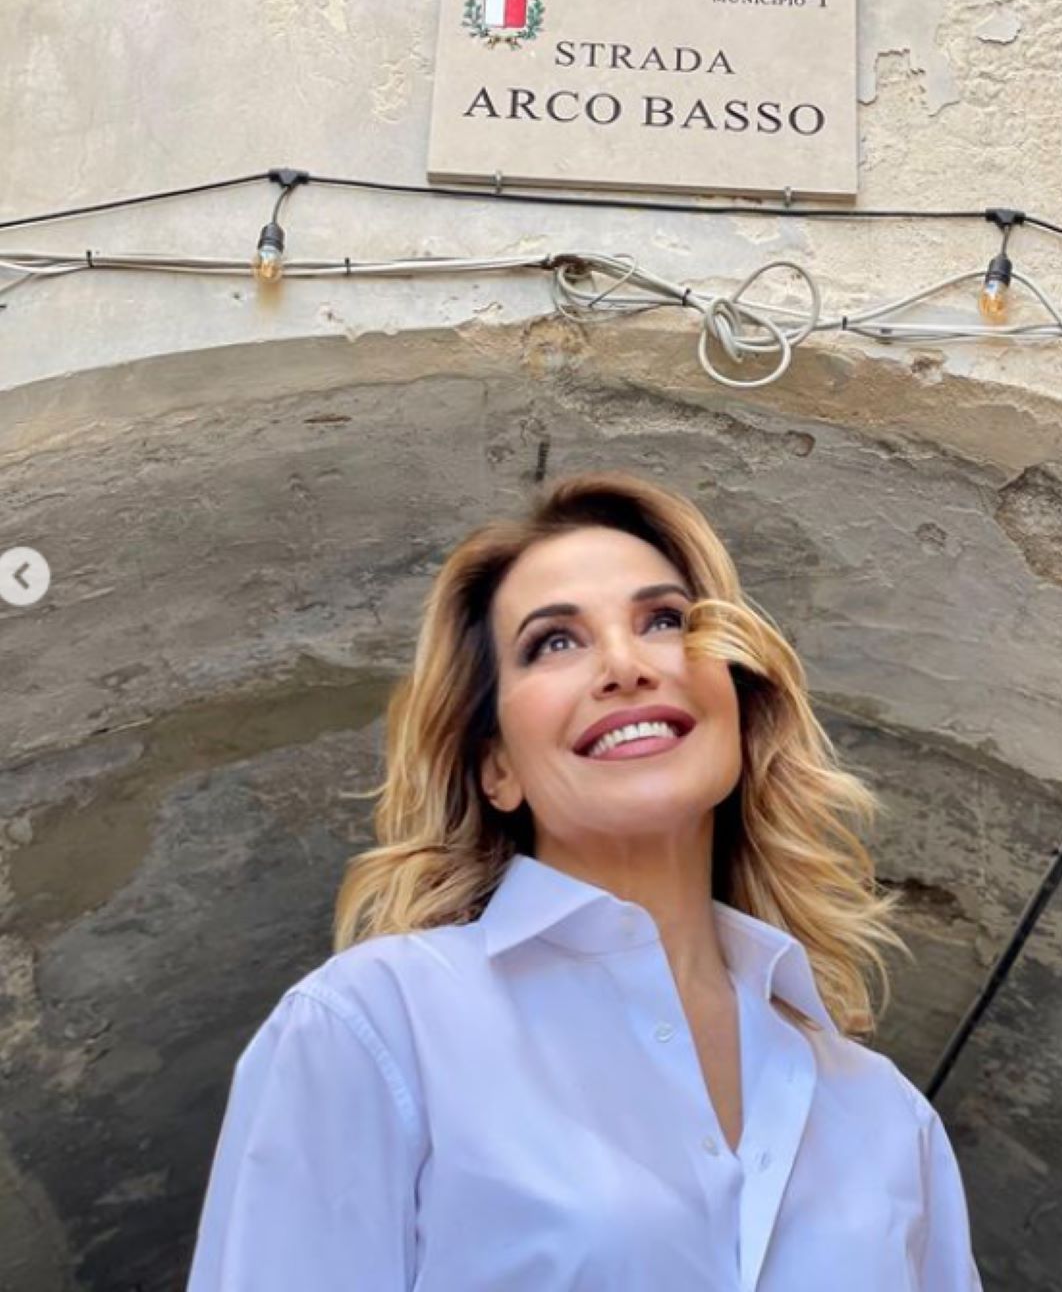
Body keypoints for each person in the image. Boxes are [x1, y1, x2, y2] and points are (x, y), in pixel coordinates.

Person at [185, 468, 985, 1290]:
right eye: (555, 642)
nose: (625, 665)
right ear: (496, 767)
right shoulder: (376, 1026)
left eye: (665, 621)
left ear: (738, 704)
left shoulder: (887, 1121)